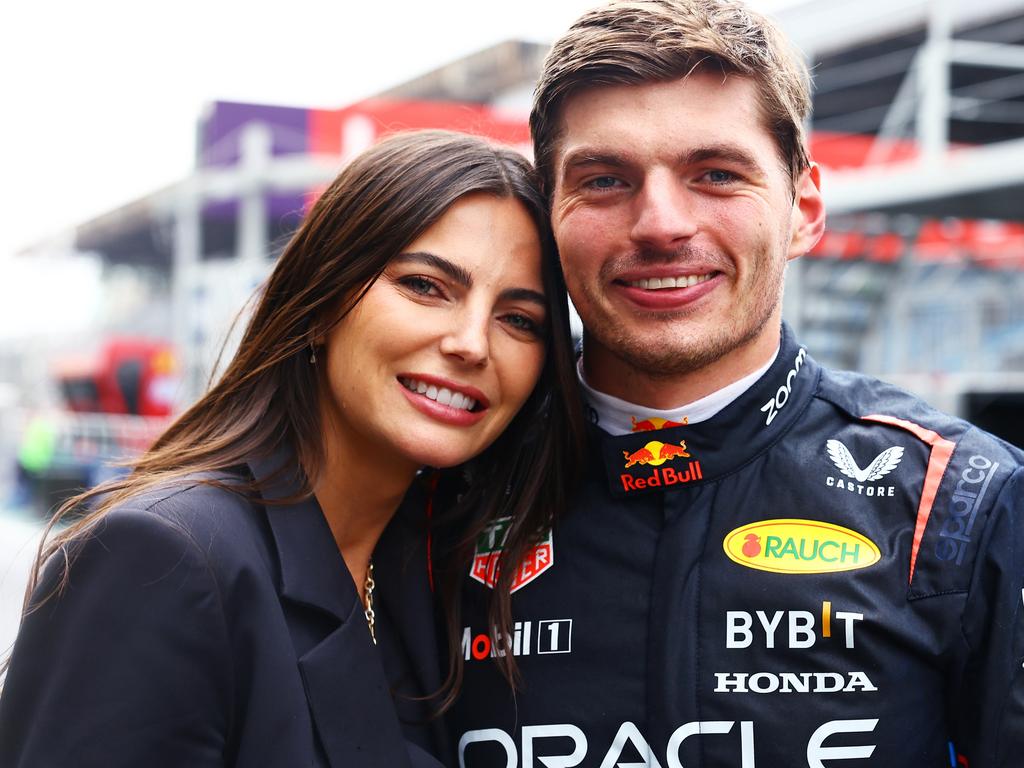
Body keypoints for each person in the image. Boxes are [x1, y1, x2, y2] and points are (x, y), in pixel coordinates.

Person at [448, 2, 1024, 766]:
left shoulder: (957, 497)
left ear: (803, 210)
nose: (660, 224)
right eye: (605, 179)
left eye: (716, 173)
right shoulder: (440, 490)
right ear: (547, 216)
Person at [0, 130, 584, 768]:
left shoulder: (427, 577)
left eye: (519, 320)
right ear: (322, 300)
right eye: (425, 286)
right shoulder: (166, 556)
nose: (473, 343)